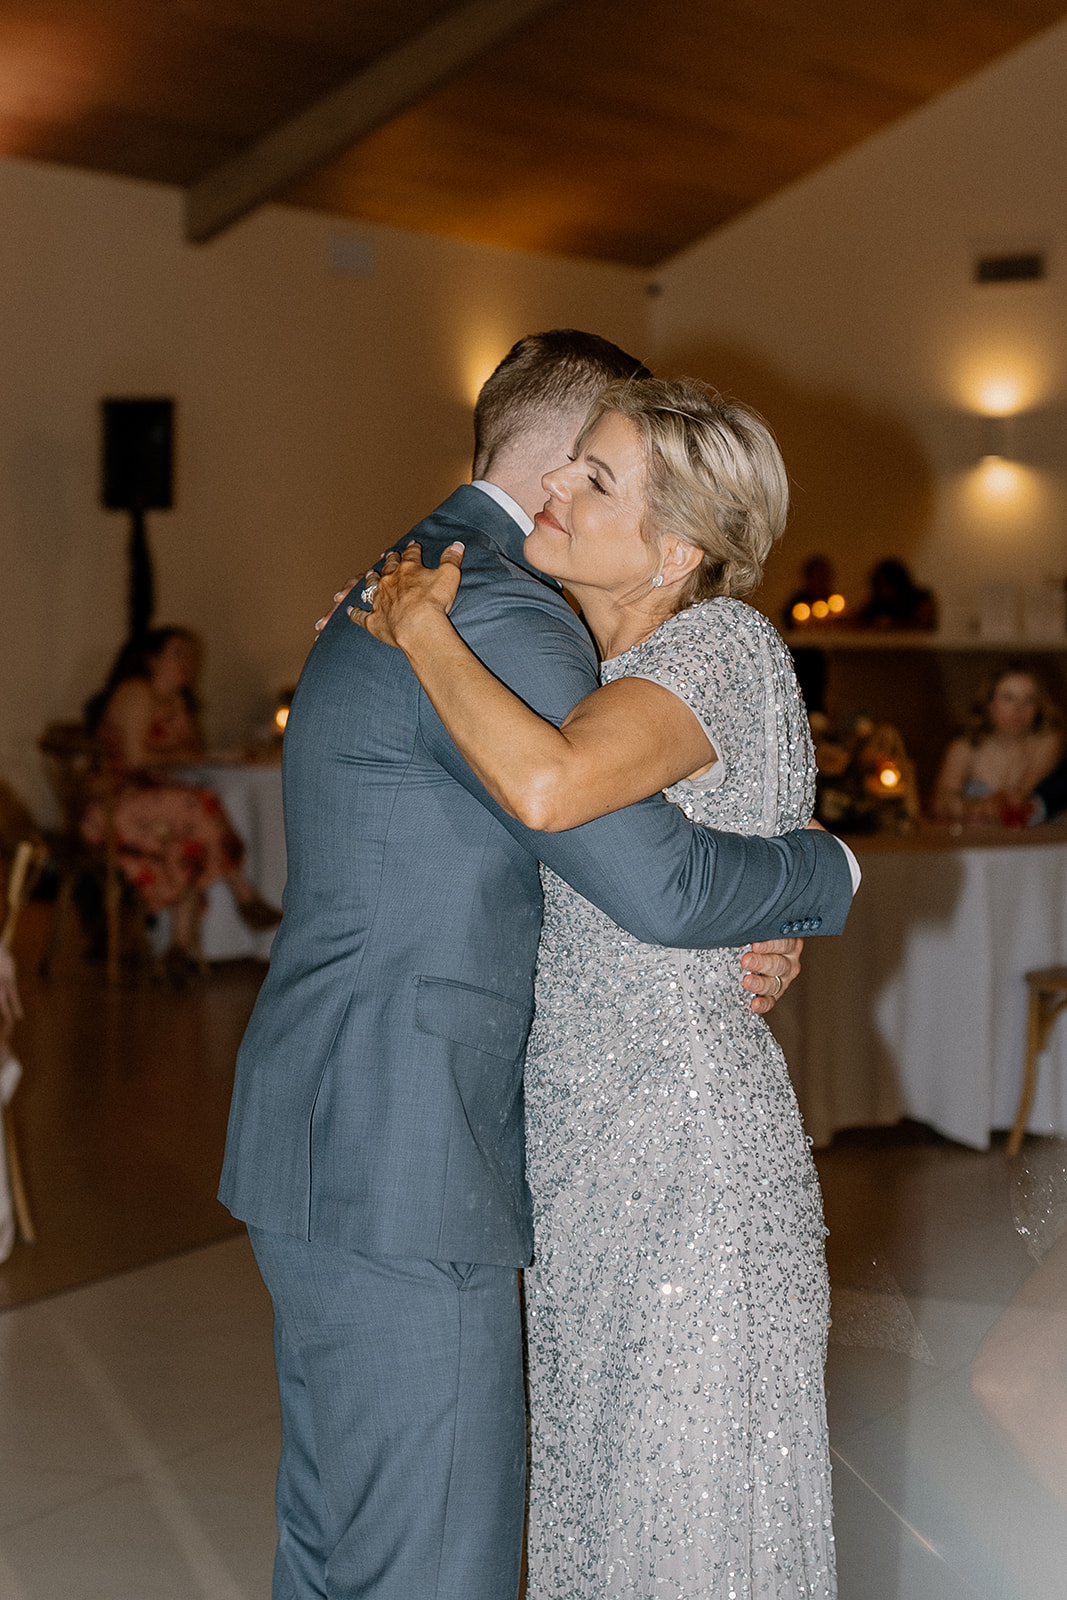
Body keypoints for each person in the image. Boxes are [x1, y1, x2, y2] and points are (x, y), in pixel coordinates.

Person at [219, 331, 856, 1600]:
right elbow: (656, 882)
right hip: (415, 1147)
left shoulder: (423, 582)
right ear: (557, 454)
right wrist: (814, 874)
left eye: (605, 484)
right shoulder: (497, 608)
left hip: (378, 1130)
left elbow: (633, 864)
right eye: (587, 470)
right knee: (425, 1557)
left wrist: (797, 885)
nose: (570, 501)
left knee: (357, 1538)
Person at [82, 627, 280, 972]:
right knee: (199, 803)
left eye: (190, 656)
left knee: (189, 843)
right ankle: (242, 892)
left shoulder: (177, 703)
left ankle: (177, 948)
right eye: (178, 654)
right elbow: (134, 761)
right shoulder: (136, 694)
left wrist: (182, 754)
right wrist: (179, 755)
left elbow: (190, 753)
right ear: (152, 659)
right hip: (114, 804)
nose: (187, 664)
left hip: (156, 804)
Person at [931, 664, 1063, 825]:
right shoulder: (965, 746)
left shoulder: (1046, 741)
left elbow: (1018, 797)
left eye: (1029, 699)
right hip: (978, 844)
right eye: (1008, 698)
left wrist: (1002, 802)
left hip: (1036, 845)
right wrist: (975, 806)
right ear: (989, 704)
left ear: (1039, 707)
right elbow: (940, 802)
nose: (1019, 709)